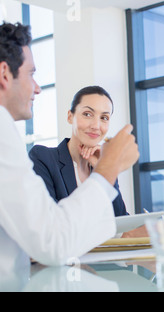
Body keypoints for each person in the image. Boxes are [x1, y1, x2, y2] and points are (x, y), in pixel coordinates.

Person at [0, 22, 139, 268]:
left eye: (104, 117)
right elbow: (51, 241)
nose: (37, 88)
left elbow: (119, 222)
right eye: (31, 74)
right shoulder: (32, 151)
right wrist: (110, 167)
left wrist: (104, 170)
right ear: (4, 74)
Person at [29, 86, 127, 217]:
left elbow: (120, 219)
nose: (96, 126)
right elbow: (51, 221)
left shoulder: (101, 165)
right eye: (87, 114)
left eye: (104, 118)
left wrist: (104, 169)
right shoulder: (43, 157)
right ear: (70, 117)